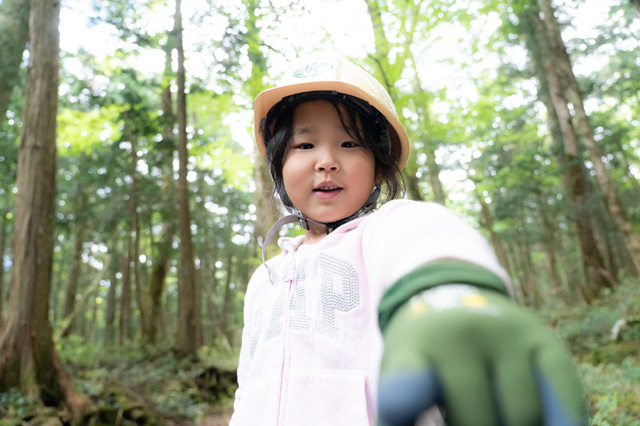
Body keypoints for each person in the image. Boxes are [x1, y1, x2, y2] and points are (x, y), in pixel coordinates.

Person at [230, 55, 587, 426]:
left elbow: (425, 237)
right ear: (279, 164)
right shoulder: (265, 279)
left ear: (379, 167)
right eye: (305, 146)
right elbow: (247, 386)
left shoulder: (383, 231)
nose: (327, 161)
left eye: (350, 144)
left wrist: (446, 291)